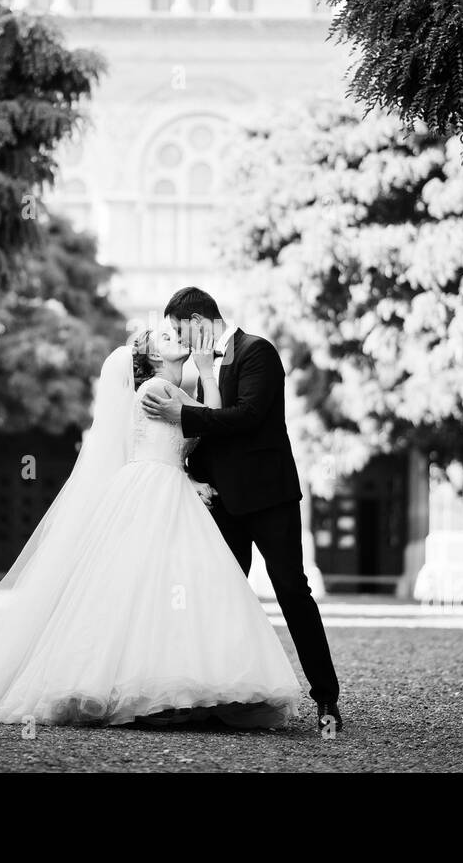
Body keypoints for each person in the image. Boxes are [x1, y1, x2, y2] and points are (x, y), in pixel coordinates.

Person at [0, 321, 300, 727]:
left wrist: (206, 373)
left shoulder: (180, 391)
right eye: (162, 334)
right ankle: (147, 687)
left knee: (174, 584)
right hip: (152, 491)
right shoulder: (155, 391)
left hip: (172, 487)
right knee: (148, 584)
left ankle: (183, 687)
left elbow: (199, 432)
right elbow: (196, 426)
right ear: (151, 354)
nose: (173, 335)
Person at [141, 287, 343, 732]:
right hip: (223, 504)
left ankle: (326, 699)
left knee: (292, 591)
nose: (175, 337)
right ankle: (219, 698)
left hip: (269, 499)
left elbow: (246, 417)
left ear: (197, 321)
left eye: (178, 329)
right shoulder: (198, 370)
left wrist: (182, 414)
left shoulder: (257, 352)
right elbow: (204, 437)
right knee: (219, 598)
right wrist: (190, 474)